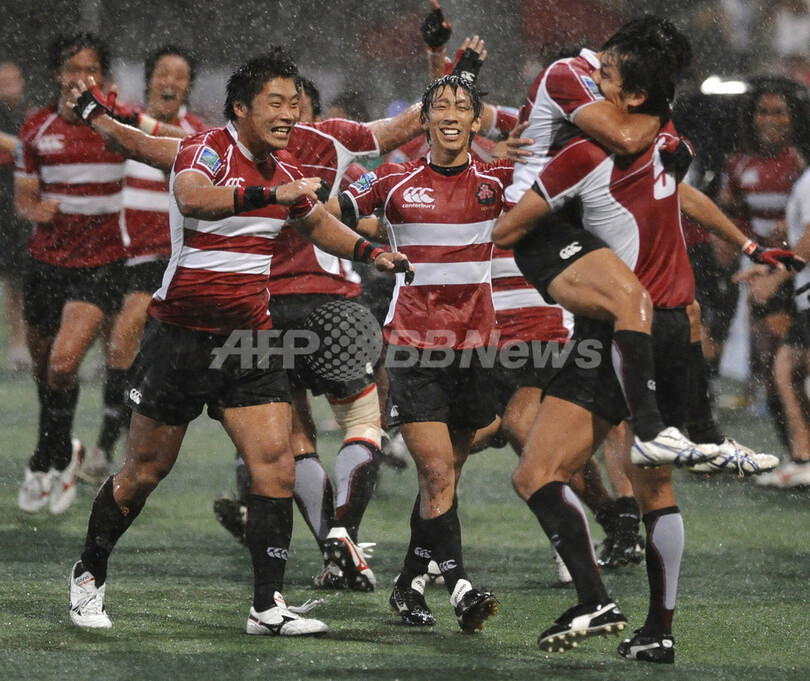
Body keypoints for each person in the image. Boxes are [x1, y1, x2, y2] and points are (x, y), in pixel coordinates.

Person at [66, 49, 412, 635]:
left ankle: (267, 607)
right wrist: (269, 196)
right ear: (241, 108)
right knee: (144, 472)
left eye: (294, 103)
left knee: (275, 470)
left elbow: (317, 224)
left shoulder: (285, 168)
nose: (288, 114)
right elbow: (193, 198)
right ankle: (89, 572)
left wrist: (371, 252)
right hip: (181, 340)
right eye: (275, 103)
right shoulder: (206, 150)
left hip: (250, 342)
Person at [493, 24, 801, 661]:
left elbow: (508, 229)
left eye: (607, 76)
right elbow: (684, 194)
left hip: (622, 329)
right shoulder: (667, 143)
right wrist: (748, 244)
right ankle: (655, 628)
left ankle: (598, 596)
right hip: (667, 322)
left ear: (633, 94)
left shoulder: (592, 151)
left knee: (538, 473)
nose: (594, 83)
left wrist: (512, 179)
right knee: (647, 486)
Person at [328, 74, 504, 632]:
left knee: (442, 478)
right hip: (414, 346)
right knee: (435, 470)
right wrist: (362, 242)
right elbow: (331, 211)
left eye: (462, 106)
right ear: (423, 120)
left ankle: (407, 584)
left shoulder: (498, 179)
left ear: (475, 121)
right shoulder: (393, 178)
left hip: (476, 348)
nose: (451, 114)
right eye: (440, 106)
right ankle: (461, 585)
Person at [79, 45, 209, 484]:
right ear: (150, 79)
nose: (170, 82)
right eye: (162, 74)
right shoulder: (123, 122)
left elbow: (180, 160)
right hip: (117, 255)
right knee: (114, 352)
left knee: (123, 342)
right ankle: (116, 441)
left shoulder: (197, 134)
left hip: (167, 259)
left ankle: (106, 447)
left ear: (189, 87)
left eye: (179, 75)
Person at [15, 33, 127, 515]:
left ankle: (50, 459)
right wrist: (35, 209)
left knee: (63, 365)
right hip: (45, 264)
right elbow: (23, 199)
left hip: (100, 266)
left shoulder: (117, 124)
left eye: (91, 69)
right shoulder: (36, 128)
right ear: (57, 75)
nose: (81, 78)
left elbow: (160, 152)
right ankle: (56, 453)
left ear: (103, 76)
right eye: (72, 69)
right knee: (45, 374)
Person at [718, 78, 806, 443]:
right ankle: (794, 446)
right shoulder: (738, 164)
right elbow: (730, 211)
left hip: (795, 269)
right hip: (759, 266)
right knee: (771, 358)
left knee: (788, 358)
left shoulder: (800, 163)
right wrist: (738, 243)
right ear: (752, 117)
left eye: (779, 112)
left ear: (793, 117)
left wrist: (787, 231)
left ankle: (801, 446)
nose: (771, 119)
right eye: (763, 112)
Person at [0, 59, 30, 373]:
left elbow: (29, 152)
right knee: (11, 280)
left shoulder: (29, 117)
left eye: (13, 80)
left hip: (20, 208)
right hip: (3, 206)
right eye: (3, 81)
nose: (8, 87)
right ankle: (16, 345)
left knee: (22, 278)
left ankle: (24, 344)